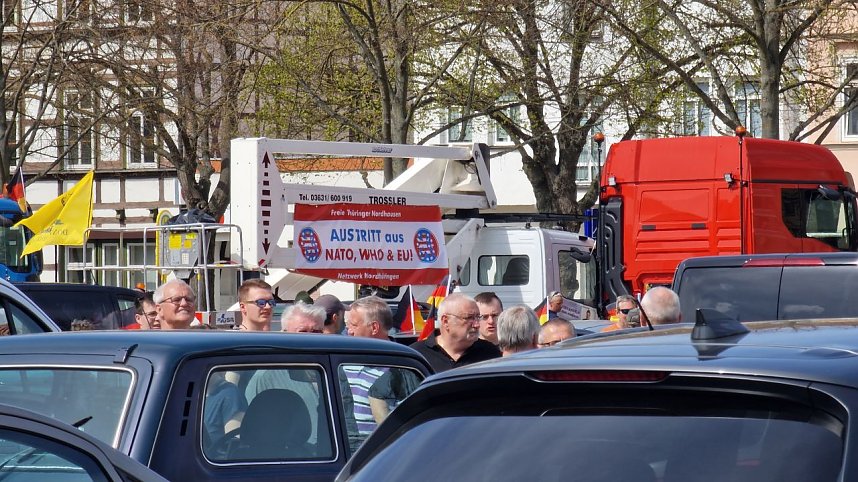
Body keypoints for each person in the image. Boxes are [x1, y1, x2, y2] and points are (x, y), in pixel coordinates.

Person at [409, 293, 501, 372]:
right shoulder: (416, 355)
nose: (476, 325)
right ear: (446, 321)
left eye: (478, 317)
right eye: (469, 318)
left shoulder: (490, 354)